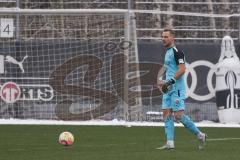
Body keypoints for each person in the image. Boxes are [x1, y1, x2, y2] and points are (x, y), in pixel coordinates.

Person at [156, 28, 206, 150]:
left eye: (166, 37)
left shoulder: (177, 52)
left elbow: (182, 69)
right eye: (162, 36)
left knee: (178, 116)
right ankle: (170, 143)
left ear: (173, 38)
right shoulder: (167, 52)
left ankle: (200, 135)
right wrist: (159, 79)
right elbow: (166, 67)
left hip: (177, 88)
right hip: (168, 88)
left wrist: (170, 81)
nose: (163, 39)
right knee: (166, 114)